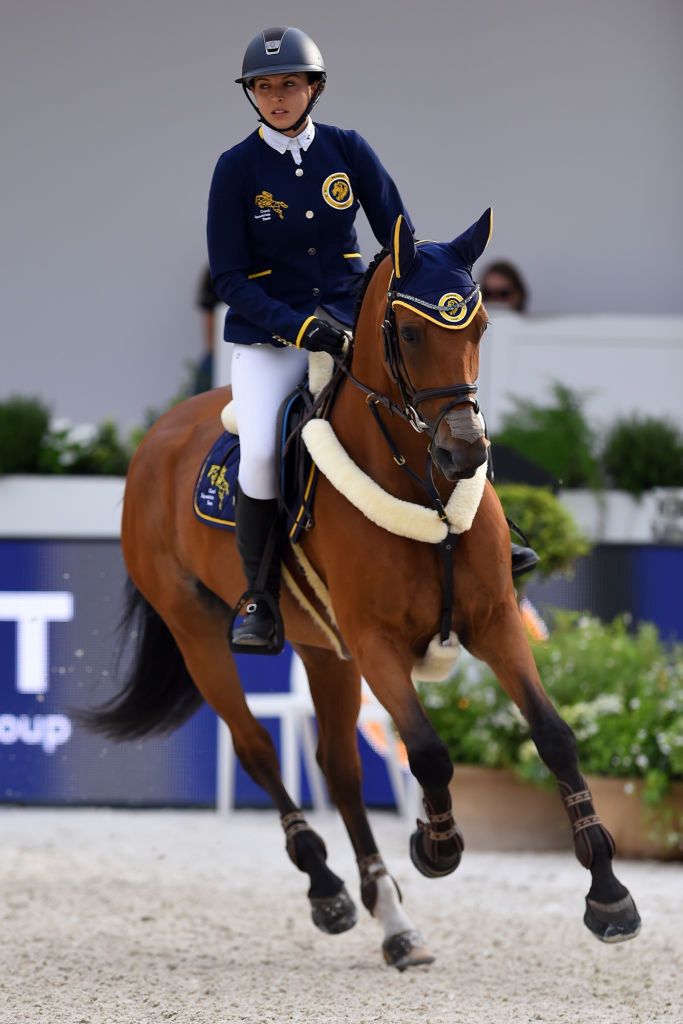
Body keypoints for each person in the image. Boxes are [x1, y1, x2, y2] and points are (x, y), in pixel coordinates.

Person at [207, 26, 413, 650]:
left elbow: (398, 235)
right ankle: (258, 598)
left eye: (288, 85)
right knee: (265, 453)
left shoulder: (348, 149)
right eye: (264, 88)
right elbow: (228, 278)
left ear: (313, 88)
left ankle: (490, 531)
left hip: (350, 322)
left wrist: (395, 302)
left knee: (434, 401)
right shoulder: (236, 168)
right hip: (273, 338)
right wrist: (298, 328)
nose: (276, 97)